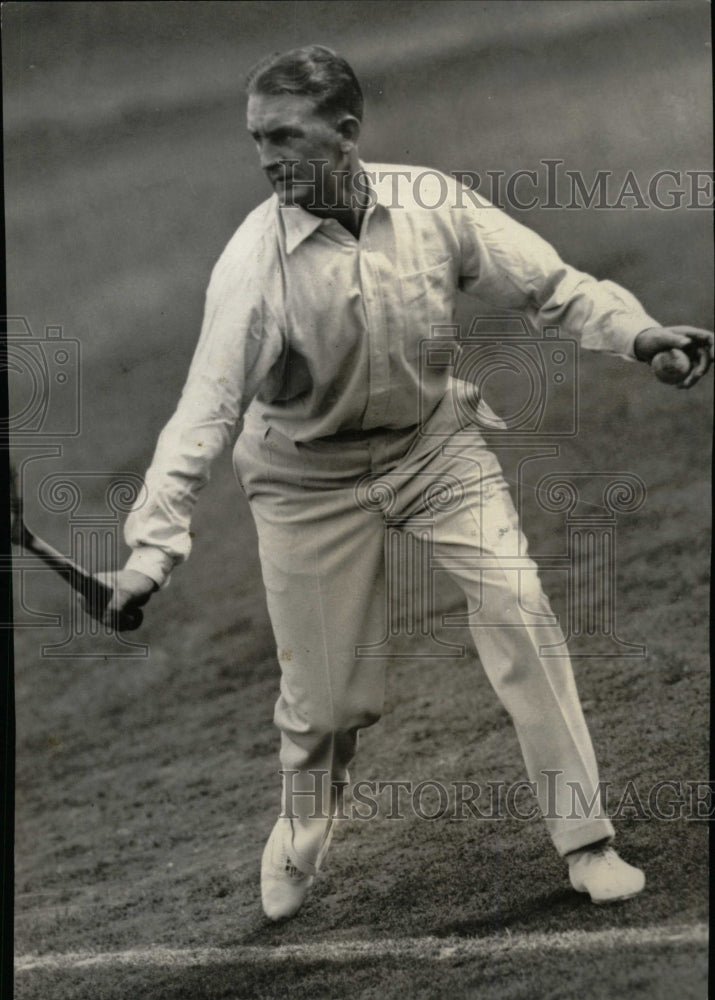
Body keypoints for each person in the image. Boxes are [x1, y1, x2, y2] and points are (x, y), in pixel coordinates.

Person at [99, 46, 713, 921]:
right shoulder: (253, 267)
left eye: (283, 136)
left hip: (434, 449)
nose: (266, 159)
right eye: (255, 140)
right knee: (329, 708)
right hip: (306, 483)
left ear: (345, 133)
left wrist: (639, 334)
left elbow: (546, 285)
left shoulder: (431, 204)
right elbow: (205, 410)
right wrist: (150, 554)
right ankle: (303, 829)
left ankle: (587, 840)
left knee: (517, 604)